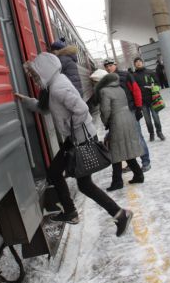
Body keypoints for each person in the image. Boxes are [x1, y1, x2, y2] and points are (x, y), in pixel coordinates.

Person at [15, 53, 133, 236]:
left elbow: (82, 109)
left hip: (80, 140)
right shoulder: (55, 85)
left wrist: (73, 128)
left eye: (37, 75)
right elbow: (45, 108)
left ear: (46, 71)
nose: (36, 80)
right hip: (76, 139)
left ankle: (111, 213)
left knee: (68, 178)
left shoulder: (58, 88)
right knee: (69, 178)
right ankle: (106, 213)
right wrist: (25, 101)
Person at [91, 70, 145, 191]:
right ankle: (138, 174)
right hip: (128, 118)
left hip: (116, 121)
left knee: (115, 151)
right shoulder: (120, 89)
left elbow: (105, 111)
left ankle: (117, 181)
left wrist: (106, 122)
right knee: (125, 148)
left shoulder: (104, 91)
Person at [103, 59, 151, 172]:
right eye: (106, 66)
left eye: (111, 65)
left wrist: (138, 108)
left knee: (138, 137)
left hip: (131, 111)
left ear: (115, 65)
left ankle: (146, 162)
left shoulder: (126, 75)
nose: (109, 68)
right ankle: (132, 164)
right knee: (127, 140)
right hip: (119, 115)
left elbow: (136, 91)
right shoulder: (107, 81)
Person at [133, 57, 165, 142]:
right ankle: (151, 134)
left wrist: (154, 87)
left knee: (156, 117)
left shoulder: (150, 72)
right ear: (134, 64)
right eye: (136, 62)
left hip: (153, 99)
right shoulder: (133, 76)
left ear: (143, 63)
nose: (138, 63)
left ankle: (159, 132)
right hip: (142, 102)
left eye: (140, 61)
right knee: (147, 120)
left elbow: (158, 84)